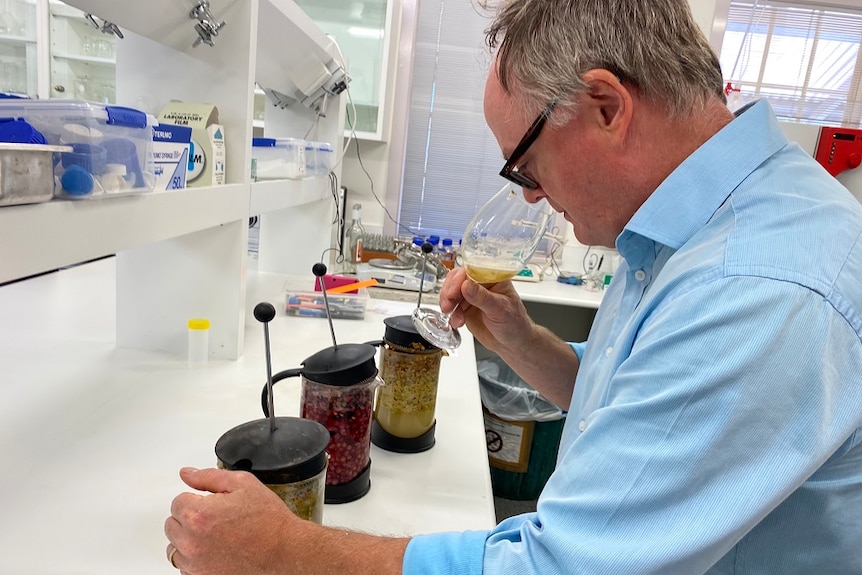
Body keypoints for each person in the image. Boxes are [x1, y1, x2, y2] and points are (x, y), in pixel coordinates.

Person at [165, 0, 862, 572]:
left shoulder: (755, 286)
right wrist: (524, 342)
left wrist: (290, 551)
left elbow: (559, 567)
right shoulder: (699, 224)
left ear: (606, 108)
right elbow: (639, 397)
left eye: (523, 165)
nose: (529, 198)